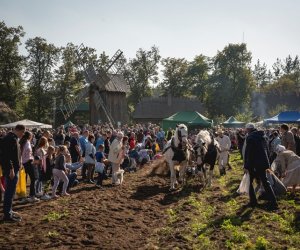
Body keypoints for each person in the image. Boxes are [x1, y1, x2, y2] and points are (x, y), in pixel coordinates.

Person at [244, 123, 278, 209]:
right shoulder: (263, 136)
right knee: (266, 182)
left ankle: (253, 202)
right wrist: (268, 163)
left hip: (254, 164)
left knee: (250, 182)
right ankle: (273, 202)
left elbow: (249, 153)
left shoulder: (250, 137)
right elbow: (267, 151)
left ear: (248, 129)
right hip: (263, 163)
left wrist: (246, 165)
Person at [1, 124, 25, 222]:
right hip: (11, 170)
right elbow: (7, 156)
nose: (23, 135)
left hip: (12, 168)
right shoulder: (11, 139)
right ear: (18, 130)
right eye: (23, 132)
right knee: (9, 192)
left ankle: (9, 211)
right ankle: (7, 214)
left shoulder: (10, 138)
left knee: (10, 191)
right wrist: (11, 169)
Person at [20, 131, 39, 203]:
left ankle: (23, 197)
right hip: (28, 162)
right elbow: (27, 154)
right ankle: (32, 196)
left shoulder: (23, 142)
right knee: (34, 179)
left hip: (24, 163)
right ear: (29, 136)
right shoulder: (27, 143)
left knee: (24, 180)